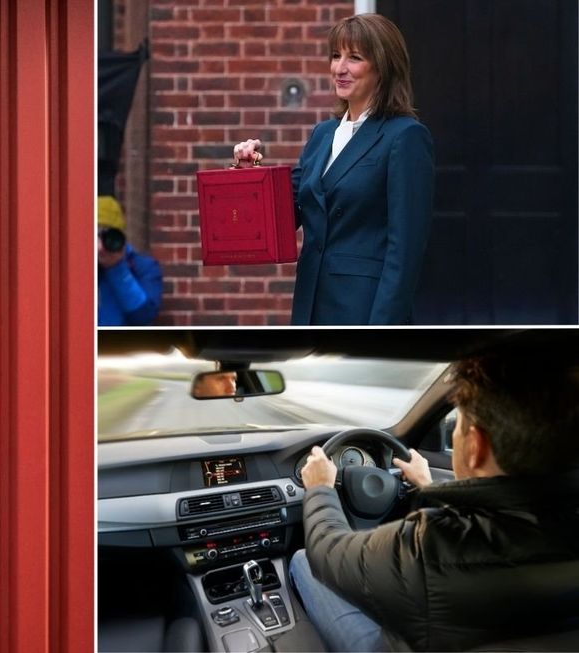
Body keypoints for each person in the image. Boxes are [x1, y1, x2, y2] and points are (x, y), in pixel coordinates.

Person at [290, 353, 579, 651]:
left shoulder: (429, 547)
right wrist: (427, 485)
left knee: (302, 560)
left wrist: (320, 488)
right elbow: (508, 506)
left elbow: (326, 549)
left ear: (475, 446)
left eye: (457, 426)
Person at [233, 14, 433, 325]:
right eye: (336, 56)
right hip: (310, 305)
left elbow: (404, 252)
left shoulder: (405, 136)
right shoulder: (322, 134)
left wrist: (382, 329)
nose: (340, 68)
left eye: (354, 58)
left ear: (384, 67)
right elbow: (281, 220)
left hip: (364, 311)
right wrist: (247, 174)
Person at [97, 195, 163, 326]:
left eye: (108, 237)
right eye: (96, 235)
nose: (102, 246)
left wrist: (116, 268)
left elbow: (144, 317)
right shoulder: (77, 265)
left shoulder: (144, 267)